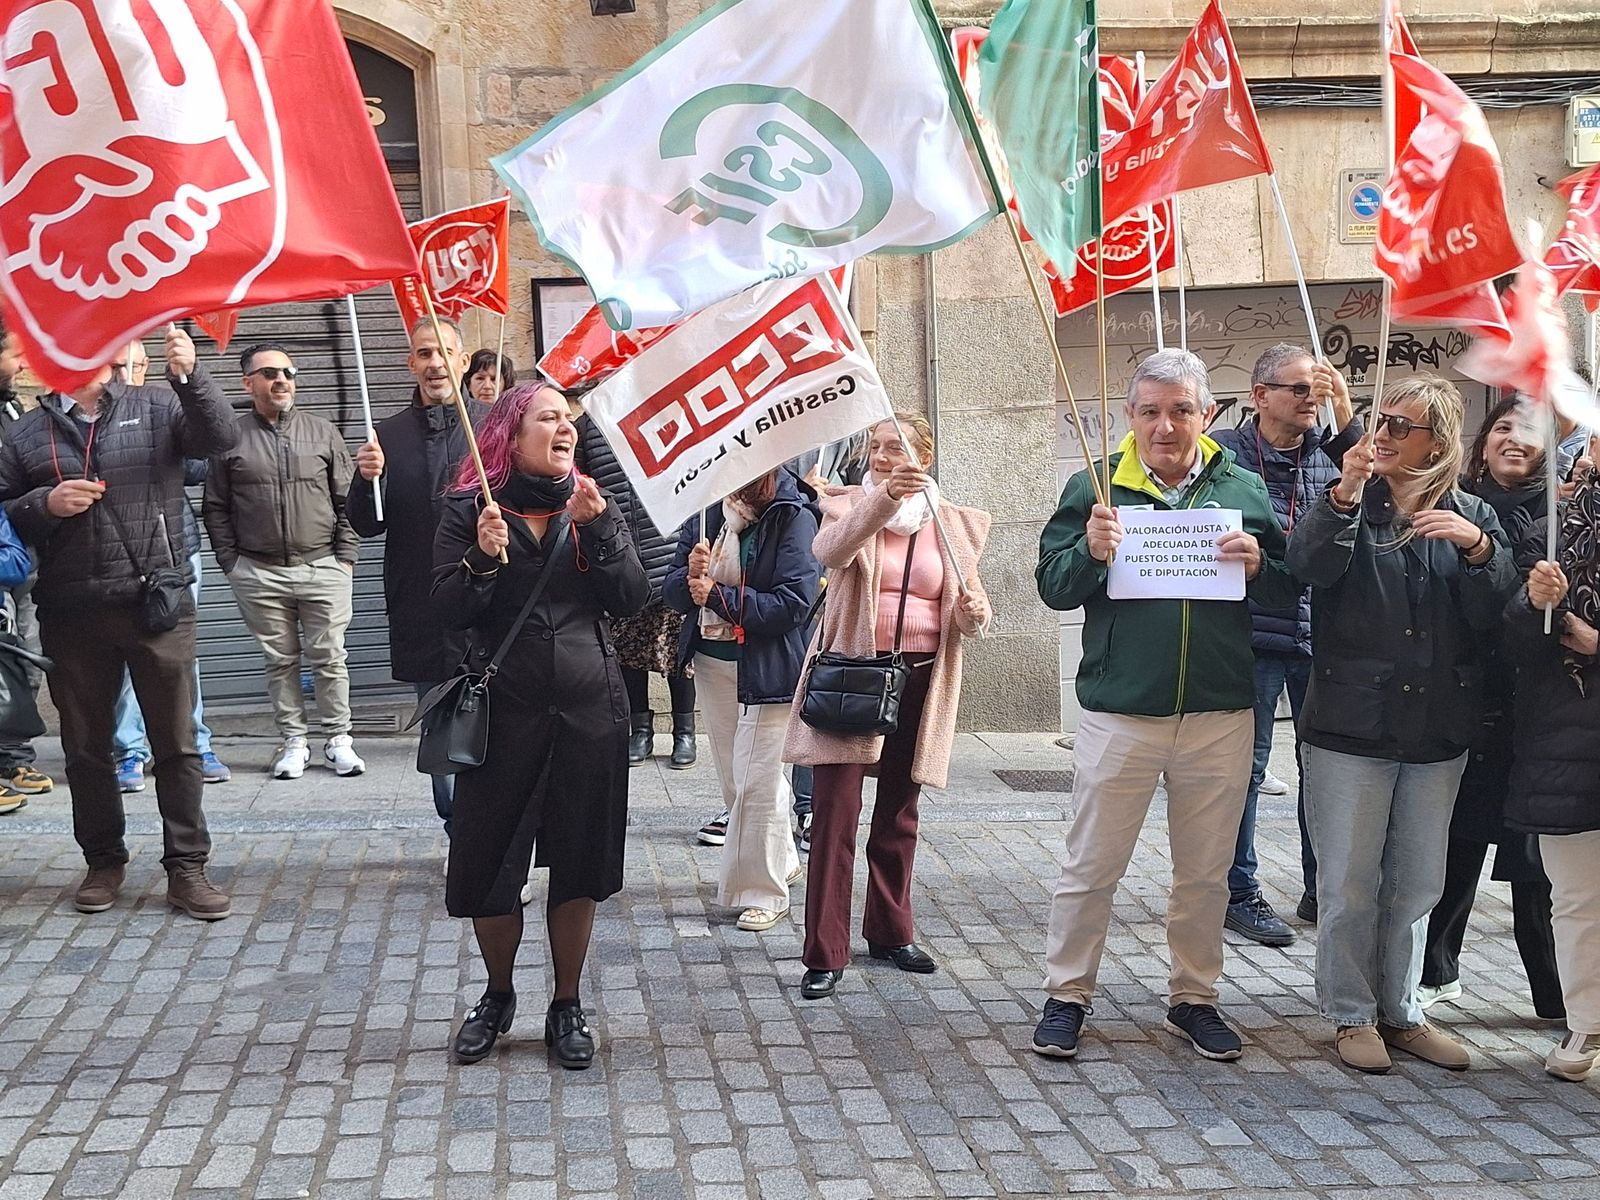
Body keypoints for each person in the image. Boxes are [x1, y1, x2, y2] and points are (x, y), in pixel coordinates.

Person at [1032, 349, 1295, 1061]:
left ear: (1208, 414)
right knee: (1092, 865)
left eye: (1181, 409)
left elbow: (1284, 592)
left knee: (1206, 873)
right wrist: (1088, 551)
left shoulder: (1240, 486)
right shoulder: (1094, 485)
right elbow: (1053, 587)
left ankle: (1194, 997)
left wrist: (1260, 566)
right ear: (1130, 418)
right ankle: (1067, 994)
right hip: (1122, 711)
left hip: (1218, 712)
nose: (1165, 425)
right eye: (1150, 411)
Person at [1290, 376, 1518, 1075]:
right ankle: (1351, 1013)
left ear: (1438, 443)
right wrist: (1341, 496)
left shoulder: (1473, 511)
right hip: (1350, 727)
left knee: (1419, 880)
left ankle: (1403, 1010)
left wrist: (1480, 549)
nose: (1381, 433)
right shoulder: (1350, 501)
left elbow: (1500, 615)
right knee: (1350, 882)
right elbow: (1305, 567)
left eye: (1400, 424)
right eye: (1378, 420)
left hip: (1436, 729)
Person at [431, 383, 648, 1069]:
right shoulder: (470, 509)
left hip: (590, 716)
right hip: (503, 720)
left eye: (568, 418)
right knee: (489, 865)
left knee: (579, 866)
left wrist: (605, 529)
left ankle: (566, 1002)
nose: (565, 427)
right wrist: (480, 560)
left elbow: (634, 598)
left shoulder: (592, 502)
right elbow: (443, 609)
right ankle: (497, 995)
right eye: (548, 417)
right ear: (510, 433)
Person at [0, 326, 236, 919]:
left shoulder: (157, 404)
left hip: (155, 602)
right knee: (85, 749)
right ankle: (103, 861)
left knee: (177, 746)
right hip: (70, 610)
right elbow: (4, 509)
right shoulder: (24, 432)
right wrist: (42, 505)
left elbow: (220, 439)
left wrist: (190, 377)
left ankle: (187, 867)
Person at [784, 414, 992, 999]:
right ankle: (825, 951)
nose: (881, 455)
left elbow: (967, 604)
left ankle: (890, 930)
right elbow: (829, 552)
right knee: (835, 813)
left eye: (895, 447)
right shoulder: (849, 506)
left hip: (922, 678)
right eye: (874, 447)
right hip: (855, 676)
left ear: (923, 455)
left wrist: (972, 614)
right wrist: (880, 501)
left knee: (900, 812)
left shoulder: (954, 524)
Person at [1211, 344, 1361, 943]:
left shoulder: (1334, 453)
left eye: (1318, 388)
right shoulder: (1223, 457)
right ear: (1259, 395)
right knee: (1244, 770)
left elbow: (1376, 495)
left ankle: (1319, 888)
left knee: (1321, 769)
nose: (1311, 399)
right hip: (1250, 631)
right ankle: (1239, 890)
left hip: (1322, 633)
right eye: (1298, 389)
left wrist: (1345, 413)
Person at [1419, 398, 1562, 1018]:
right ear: (1482, 440)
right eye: (1503, 426)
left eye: (1529, 431)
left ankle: (1555, 997)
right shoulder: (1456, 501)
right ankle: (1436, 969)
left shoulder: (1563, 511)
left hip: (1540, 705)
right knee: (1461, 840)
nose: (1513, 439)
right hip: (1469, 695)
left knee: (1537, 861)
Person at [665, 469, 820, 931]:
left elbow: (795, 601)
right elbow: (673, 590)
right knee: (739, 780)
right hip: (714, 664)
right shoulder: (708, 510)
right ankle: (783, 855)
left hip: (769, 666)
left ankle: (763, 890)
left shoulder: (791, 513)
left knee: (754, 781)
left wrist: (721, 595)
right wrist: (690, 578)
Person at [348, 317, 485, 835]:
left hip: (489, 600)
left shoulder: (493, 429)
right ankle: (459, 830)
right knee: (441, 723)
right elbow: (367, 523)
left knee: (499, 719)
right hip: (422, 603)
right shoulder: (384, 436)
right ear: (411, 364)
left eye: (444, 352)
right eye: (424, 354)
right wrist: (366, 482)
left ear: (463, 360)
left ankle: (493, 825)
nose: (435, 364)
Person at [204, 344, 364, 779]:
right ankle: (294, 741)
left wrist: (345, 556)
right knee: (280, 660)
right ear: (248, 383)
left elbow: (349, 499)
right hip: (257, 570)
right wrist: (230, 563)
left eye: (289, 373)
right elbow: (215, 506)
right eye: (270, 373)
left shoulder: (322, 431)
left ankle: (338, 740)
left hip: (323, 564)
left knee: (331, 656)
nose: (282, 380)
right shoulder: (229, 439)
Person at [107, 339, 230, 790]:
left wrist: (185, 385)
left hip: (174, 553)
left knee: (181, 657)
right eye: (119, 366)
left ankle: (195, 744)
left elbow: (203, 463)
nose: (127, 376)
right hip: (117, 555)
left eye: (137, 366)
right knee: (123, 660)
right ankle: (130, 751)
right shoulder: (91, 418)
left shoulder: (166, 407)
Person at [1509, 493, 1600, 1081]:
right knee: (1575, 897)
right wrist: (1530, 604)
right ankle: (1587, 1020)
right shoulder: (1550, 528)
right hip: (1566, 737)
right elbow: (1511, 646)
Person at [574, 414, 698, 774]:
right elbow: (578, 480)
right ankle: (640, 730)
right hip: (619, 551)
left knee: (678, 651)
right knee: (627, 651)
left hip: (668, 545)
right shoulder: (588, 425)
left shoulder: (661, 407)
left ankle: (684, 730)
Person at [0, 313, 50, 809]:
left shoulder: (16, 411)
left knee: (21, 663)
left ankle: (13, 755)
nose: (22, 363)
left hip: (22, 560)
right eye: (14, 354)